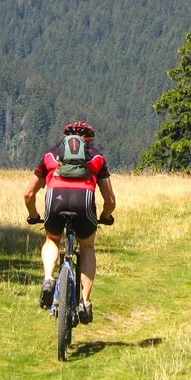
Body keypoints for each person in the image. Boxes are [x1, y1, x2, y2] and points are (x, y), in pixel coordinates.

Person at [23, 121, 116, 325]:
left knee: (52, 240)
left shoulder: (51, 155)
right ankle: (85, 302)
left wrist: (33, 215)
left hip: (55, 199)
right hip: (84, 202)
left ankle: (48, 278)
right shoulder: (97, 157)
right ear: (90, 140)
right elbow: (109, 200)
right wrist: (106, 216)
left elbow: (29, 194)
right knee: (87, 246)